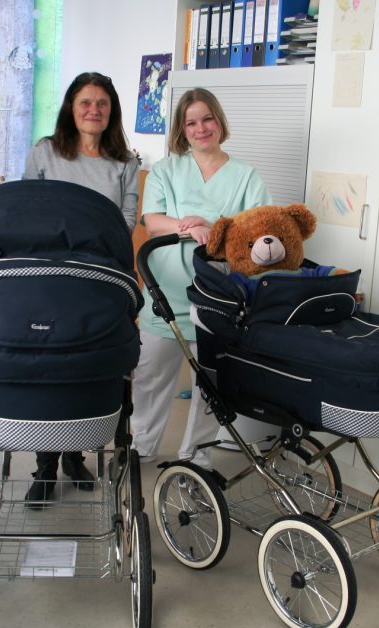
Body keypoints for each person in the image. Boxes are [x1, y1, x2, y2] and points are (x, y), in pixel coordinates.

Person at [131, 88, 271, 469]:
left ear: (219, 121)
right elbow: (151, 219)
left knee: (209, 386)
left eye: (207, 118)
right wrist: (186, 226)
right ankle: (141, 446)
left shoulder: (246, 177)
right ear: (182, 129)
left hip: (217, 299)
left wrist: (215, 227)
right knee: (149, 377)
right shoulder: (165, 170)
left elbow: (256, 233)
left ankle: (196, 456)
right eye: (191, 122)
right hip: (164, 294)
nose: (200, 128)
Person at [22, 72, 140, 507]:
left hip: (99, 278)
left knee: (88, 366)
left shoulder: (125, 160)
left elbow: (127, 220)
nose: (94, 110)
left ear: (112, 111)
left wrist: (93, 247)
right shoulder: (45, 152)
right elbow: (27, 212)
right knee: (50, 370)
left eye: (102, 103)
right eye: (85, 102)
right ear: (71, 107)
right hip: (50, 279)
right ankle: (45, 469)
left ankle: (75, 456)